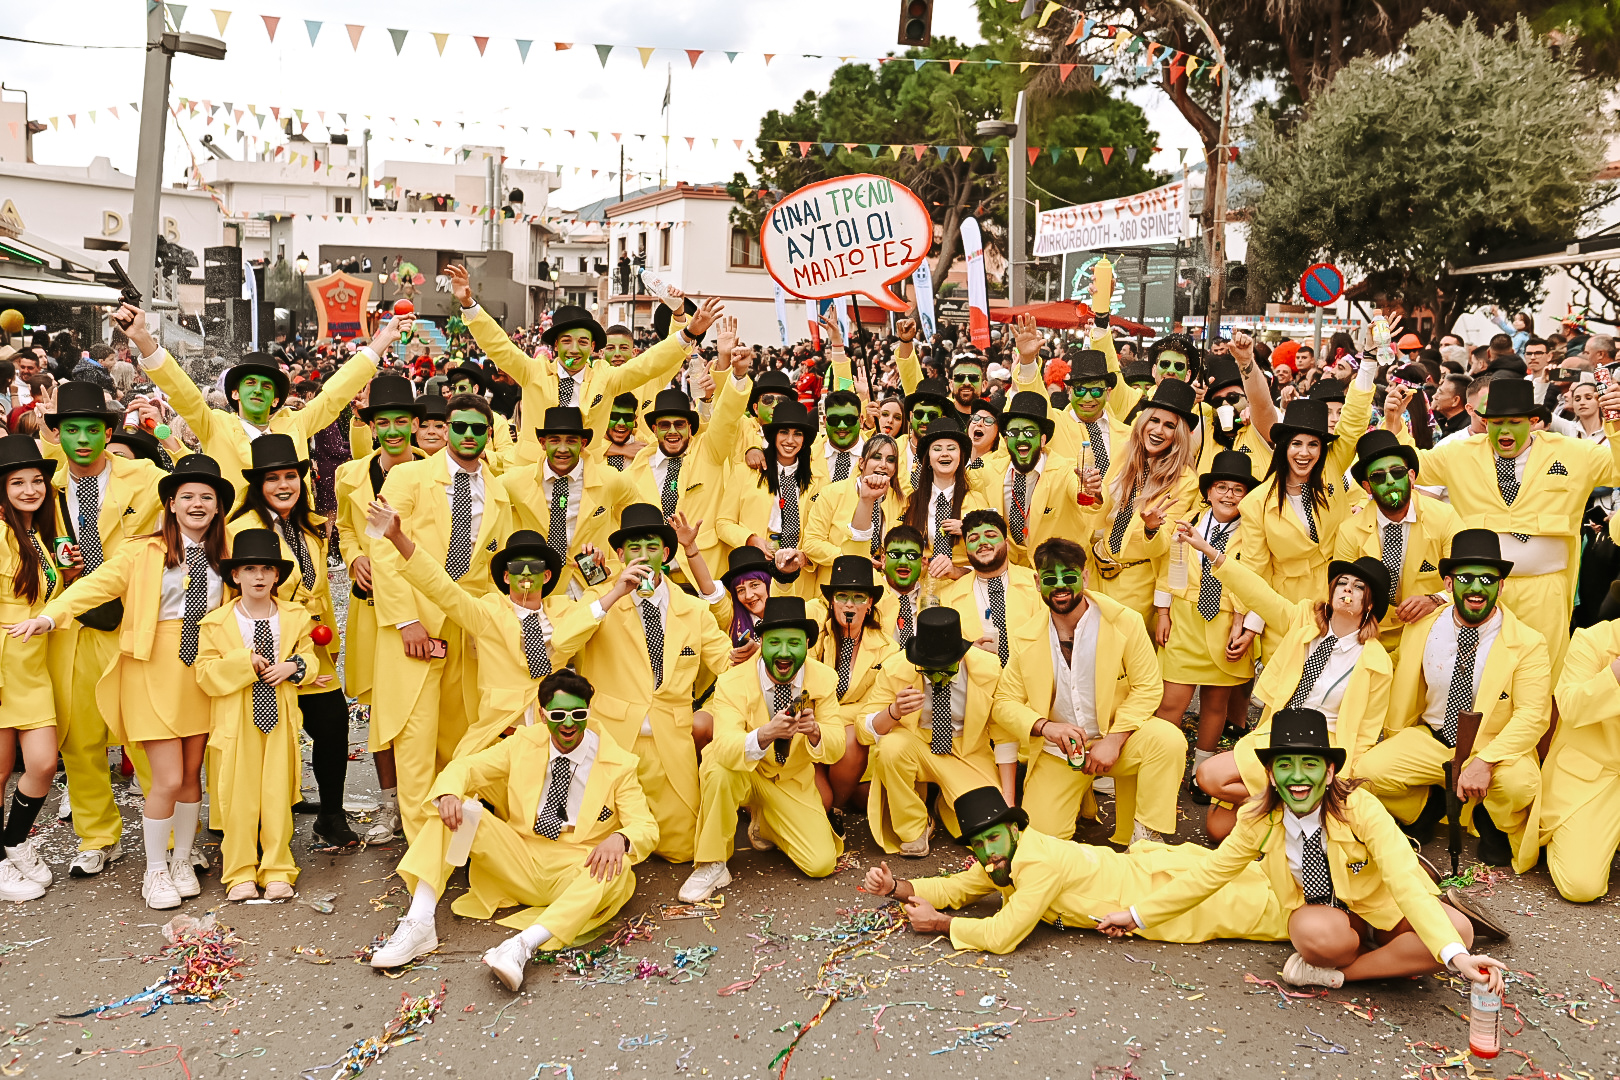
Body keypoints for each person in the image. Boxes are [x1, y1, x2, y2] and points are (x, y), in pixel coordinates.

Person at [1098, 710, 1507, 992]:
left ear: (1329, 772)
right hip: (1324, 918)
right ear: (1270, 774)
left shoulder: (1361, 808)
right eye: (1285, 765)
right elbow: (1211, 874)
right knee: (1316, 937)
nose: (1298, 777)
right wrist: (1137, 916)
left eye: (1310, 765)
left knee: (1460, 933)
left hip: (1383, 908)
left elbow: (1403, 878)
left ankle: (1342, 975)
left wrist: (1457, 958)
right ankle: (1372, 958)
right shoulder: (1256, 818)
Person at [14, 455, 234, 907]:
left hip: (203, 670)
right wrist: (50, 617)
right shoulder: (142, 551)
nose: (196, 504)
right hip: (152, 668)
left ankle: (181, 859)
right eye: (187, 496)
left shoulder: (228, 554)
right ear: (170, 504)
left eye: (206, 497)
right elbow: (94, 586)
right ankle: (155, 872)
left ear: (218, 507)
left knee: (191, 776)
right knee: (167, 778)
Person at [367, 671, 658, 990]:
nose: (568, 724)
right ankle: (420, 920)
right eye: (558, 715)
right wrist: (449, 793)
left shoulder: (618, 763)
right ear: (543, 714)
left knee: (619, 868)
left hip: (577, 868)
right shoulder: (522, 743)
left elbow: (645, 826)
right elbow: (466, 767)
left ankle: (521, 946)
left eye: (578, 714)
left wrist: (620, 837)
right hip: (520, 858)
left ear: (588, 711)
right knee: (453, 808)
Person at [870, 787, 1288, 954]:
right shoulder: (1004, 857)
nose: (986, 851)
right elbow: (957, 888)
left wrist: (940, 924)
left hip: (1158, 897)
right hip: (1143, 875)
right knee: (1267, 883)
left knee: (1275, 913)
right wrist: (894, 887)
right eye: (977, 844)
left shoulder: (1037, 863)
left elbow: (1002, 936)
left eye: (992, 838)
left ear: (1014, 829)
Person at [1352, 530, 1551, 868]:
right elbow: (1391, 667)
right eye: (1465, 578)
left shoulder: (1528, 643)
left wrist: (1485, 762)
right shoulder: (1423, 626)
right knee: (1365, 773)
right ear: (1448, 583)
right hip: (1433, 737)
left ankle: (1491, 819)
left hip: (1491, 746)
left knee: (1520, 785)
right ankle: (1427, 807)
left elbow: (1533, 716)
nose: (1476, 588)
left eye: (1487, 580)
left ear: (1501, 586)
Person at [33, 382, 166, 878]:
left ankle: (173, 840)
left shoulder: (145, 478)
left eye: (93, 429)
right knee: (80, 740)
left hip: (129, 623)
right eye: (72, 430)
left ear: (109, 433)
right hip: (68, 627)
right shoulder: (42, 487)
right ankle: (97, 837)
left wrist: (168, 435)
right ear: (58, 434)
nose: (83, 439)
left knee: (146, 736)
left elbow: (197, 491)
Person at [1187, 523, 1392, 841]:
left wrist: (1343, 778)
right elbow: (1260, 594)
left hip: (1324, 747)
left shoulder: (1377, 662)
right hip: (1279, 731)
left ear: (1369, 604)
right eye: (1342, 583)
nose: (1347, 590)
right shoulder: (1303, 620)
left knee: (1217, 806)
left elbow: (1366, 733)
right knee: (1211, 798)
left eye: (1358, 587)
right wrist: (1212, 553)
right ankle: (1292, 808)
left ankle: (1303, 804)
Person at [371, 393, 515, 843]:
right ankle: (422, 850)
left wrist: (489, 628)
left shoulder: (498, 492)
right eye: (460, 426)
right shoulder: (407, 476)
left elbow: (497, 570)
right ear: (445, 428)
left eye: (478, 429)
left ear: (489, 434)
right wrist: (404, 620)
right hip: (414, 624)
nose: (468, 435)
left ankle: (454, 838)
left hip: (467, 626)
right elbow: (381, 546)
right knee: (415, 738)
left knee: (461, 735)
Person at [1407, 378, 1620, 677]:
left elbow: (1616, 468)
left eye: (1514, 422)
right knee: (1483, 674)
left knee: (1543, 672)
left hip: (1544, 590)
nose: (1504, 430)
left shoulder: (1573, 452)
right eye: (1496, 422)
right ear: (1485, 422)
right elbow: (1407, 465)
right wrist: (1393, 420)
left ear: (1532, 422)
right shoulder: (1457, 452)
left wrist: (1616, 424)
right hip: (1482, 588)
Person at [367, 497, 602, 755]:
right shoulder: (486, 613)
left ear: (546, 576)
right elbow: (441, 588)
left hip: (553, 739)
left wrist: (599, 571)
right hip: (499, 739)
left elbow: (599, 604)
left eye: (534, 566)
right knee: (459, 776)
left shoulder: (565, 610)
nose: (525, 572)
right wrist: (398, 538)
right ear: (506, 576)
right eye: (517, 566)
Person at [570, 504, 732, 864]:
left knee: (685, 850)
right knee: (591, 852)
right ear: (620, 555)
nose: (643, 556)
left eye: (652, 546)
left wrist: (749, 655)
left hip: (669, 743)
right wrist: (613, 593)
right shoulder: (600, 599)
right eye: (634, 548)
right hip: (612, 742)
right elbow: (563, 642)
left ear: (667, 553)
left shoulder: (693, 609)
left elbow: (727, 664)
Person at [992, 537, 1174, 843]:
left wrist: (1114, 739)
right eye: (1050, 579)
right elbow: (1003, 702)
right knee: (1041, 845)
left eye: (1069, 576)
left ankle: (1147, 835)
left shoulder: (1124, 622)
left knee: (1167, 741)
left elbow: (1148, 687)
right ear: (1037, 583)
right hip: (1059, 753)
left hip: (1119, 742)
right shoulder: (1026, 637)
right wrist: (1045, 727)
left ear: (1085, 577)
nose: (1060, 586)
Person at [114, 304, 397, 501]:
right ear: (235, 393)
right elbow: (183, 394)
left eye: (267, 386)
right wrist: (142, 337)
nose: (258, 390)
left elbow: (335, 393)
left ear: (277, 399)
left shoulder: (296, 423)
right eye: (250, 383)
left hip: (295, 549)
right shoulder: (215, 425)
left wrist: (384, 338)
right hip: (237, 550)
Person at [448, 263, 715, 464]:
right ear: (555, 345)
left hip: (586, 478)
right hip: (533, 475)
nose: (574, 350)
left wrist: (686, 330)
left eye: (583, 342)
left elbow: (650, 363)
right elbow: (499, 346)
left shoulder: (606, 378)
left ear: (593, 347)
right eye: (566, 341)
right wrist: (468, 304)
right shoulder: (533, 371)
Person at [226, 434, 351, 847]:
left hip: (312, 648)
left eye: (290, 476)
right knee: (265, 737)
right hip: (264, 648)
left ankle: (331, 816)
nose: (284, 485)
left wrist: (326, 644)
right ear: (257, 485)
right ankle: (253, 824)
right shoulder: (240, 529)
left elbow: (317, 590)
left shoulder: (310, 526)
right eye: (273, 478)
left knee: (332, 725)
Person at [680, 597, 847, 902]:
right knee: (717, 766)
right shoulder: (731, 682)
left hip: (790, 781)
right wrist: (766, 734)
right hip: (744, 772)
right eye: (774, 643)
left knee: (821, 863)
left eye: (793, 643)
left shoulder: (824, 679)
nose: (783, 653)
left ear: (807, 644)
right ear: (761, 644)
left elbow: (836, 748)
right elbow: (725, 746)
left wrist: (815, 732)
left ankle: (767, 824)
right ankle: (712, 862)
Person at [194, 529, 318, 901]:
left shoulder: (295, 616)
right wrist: (244, 662)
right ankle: (239, 872)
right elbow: (205, 673)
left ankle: (278, 868)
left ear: (277, 575)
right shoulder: (216, 622)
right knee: (238, 796)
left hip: (279, 716)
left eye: (266, 569)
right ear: (235, 575)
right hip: (236, 719)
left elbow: (309, 656)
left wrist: (294, 667)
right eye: (250, 569)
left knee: (277, 794)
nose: (259, 576)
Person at [333, 375, 425, 843]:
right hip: (369, 610)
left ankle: (425, 799)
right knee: (378, 709)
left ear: (415, 424)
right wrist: (354, 559)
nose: (392, 431)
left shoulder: (435, 471)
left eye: (400, 422)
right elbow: (346, 529)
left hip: (420, 608)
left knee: (424, 704)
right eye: (382, 422)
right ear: (371, 426)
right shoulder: (349, 475)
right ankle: (391, 803)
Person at [860, 606, 1019, 855]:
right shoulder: (896, 668)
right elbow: (863, 729)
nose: (936, 677)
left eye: (945, 669)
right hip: (917, 747)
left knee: (987, 831)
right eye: (928, 669)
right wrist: (893, 712)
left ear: (960, 658)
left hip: (969, 752)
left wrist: (1007, 800)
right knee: (890, 747)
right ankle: (915, 826)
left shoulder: (988, 668)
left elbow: (1004, 735)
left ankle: (946, 802)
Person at [1153, 450, 1260, 802]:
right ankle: (1161, 766)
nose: (1229, 495)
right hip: (1184, 621)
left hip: (1228, 625)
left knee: (1215, 704)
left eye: (1238, 490)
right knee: (1172, 703)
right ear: (1209, 491)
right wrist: (1163, 613)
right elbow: (1167, 568)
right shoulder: (1188, 523)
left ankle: (1201, 772)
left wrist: (1248, 626)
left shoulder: (1253, 533)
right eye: (1222, 487)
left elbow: (1259, 581)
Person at [1238, 395, 1369, 659]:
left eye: (1313, 444)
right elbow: (1255, 569)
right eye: (1296, 443)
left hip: (1339, 595)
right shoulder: (1256, 503)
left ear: (1322, 449)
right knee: (1286, 677)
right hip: (1287, 605)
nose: (1304, 453)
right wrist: (1248, 624)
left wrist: (1366, 370)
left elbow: (1353, 422)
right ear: (1284, 446)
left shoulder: (1331, 468)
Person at [0, 437, 71, 901]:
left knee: (43, 763)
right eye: (17, 483)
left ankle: (13, 842)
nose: (30, 490)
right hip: (3, 662)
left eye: (37, 481)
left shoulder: (39, 534)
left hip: (34, 663)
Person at [627, 335, 751, 582]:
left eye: (679, 424)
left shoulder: (709, 451)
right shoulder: (638, 465)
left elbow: (726, 417)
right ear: (654, 429)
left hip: (703, 573)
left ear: (690, 428)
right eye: (665, 425)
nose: (672, 431)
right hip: (652, 578)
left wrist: (737, 374)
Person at [1333, 431, 1460, 658]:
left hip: (1430, 630)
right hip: (1370, 635)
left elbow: (1465, 577)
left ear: (1411, 476)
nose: (1390, 481)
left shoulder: (1444, 517)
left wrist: (1435, 599)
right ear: (1367, 487)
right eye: (1378, 477)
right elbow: (1341, 594)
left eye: (1397, 472)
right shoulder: (1349, 531)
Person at [1084, 380, 1200, 624]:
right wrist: (1096, 494)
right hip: (1096, 571)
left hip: (1135, 582)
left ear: (1179, 435)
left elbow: (1162, 548)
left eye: (1169, 425)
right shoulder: (1125, 452)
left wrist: (1152, 529)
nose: (1158, 430)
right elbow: (1104, 510)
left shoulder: (1185, 480)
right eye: (1154, 420)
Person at [1526, 619, 1620, 900]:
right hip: (1592, 777)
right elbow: (1570, 708)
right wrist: (1615, 674)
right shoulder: (1591, 640)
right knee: (1581, 885)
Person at [501, 406, 637, 601]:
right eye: (555, 440)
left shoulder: (610, 479)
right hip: (543, 587)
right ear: (542, 443)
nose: (563, 449)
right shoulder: (516, 481)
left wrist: (615, 564)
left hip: (596, 587)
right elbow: (487, 501)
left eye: (571, 441)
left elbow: (638, 517)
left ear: (583, 444)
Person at [717, 399, 823, 599]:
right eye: (784, 432)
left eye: (797, 434)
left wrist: (804, 558)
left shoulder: (817, 479)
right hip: (755, 569)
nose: (790, 440)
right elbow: (723, 523)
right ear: (774, 435)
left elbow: (821, 533)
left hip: (799, 576)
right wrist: (751, 540)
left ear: (804, 440)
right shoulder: (745, 471)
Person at [977, 391, 1082, 569]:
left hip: (1058, 573)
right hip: (1011, 574)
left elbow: (1086, 497)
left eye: (1029, 432)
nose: (1021, 438)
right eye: (1014, 432)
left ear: (1042, 440)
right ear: (1005, 439)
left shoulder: (1066, 470)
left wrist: (1093, 492)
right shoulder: (990, 471)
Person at [938, 509, 1043, 667]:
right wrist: (964, 651)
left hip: (1029, 677)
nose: (982, 542)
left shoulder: (1037, 584)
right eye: (974, 539)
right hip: (977, 679)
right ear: (966, 550)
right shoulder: (947, 597)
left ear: (1007, 544)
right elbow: (941, 652)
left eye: (991, 536)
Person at [902, 416, 986, 579]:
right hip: (924, 586)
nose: (945, 454)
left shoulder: (977, 501)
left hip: (964, 587)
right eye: (937, 448)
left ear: (961, 456)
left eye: (951, 448)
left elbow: (990, 561)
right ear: (928, 457)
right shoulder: (911, 502)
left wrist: (970, 530)